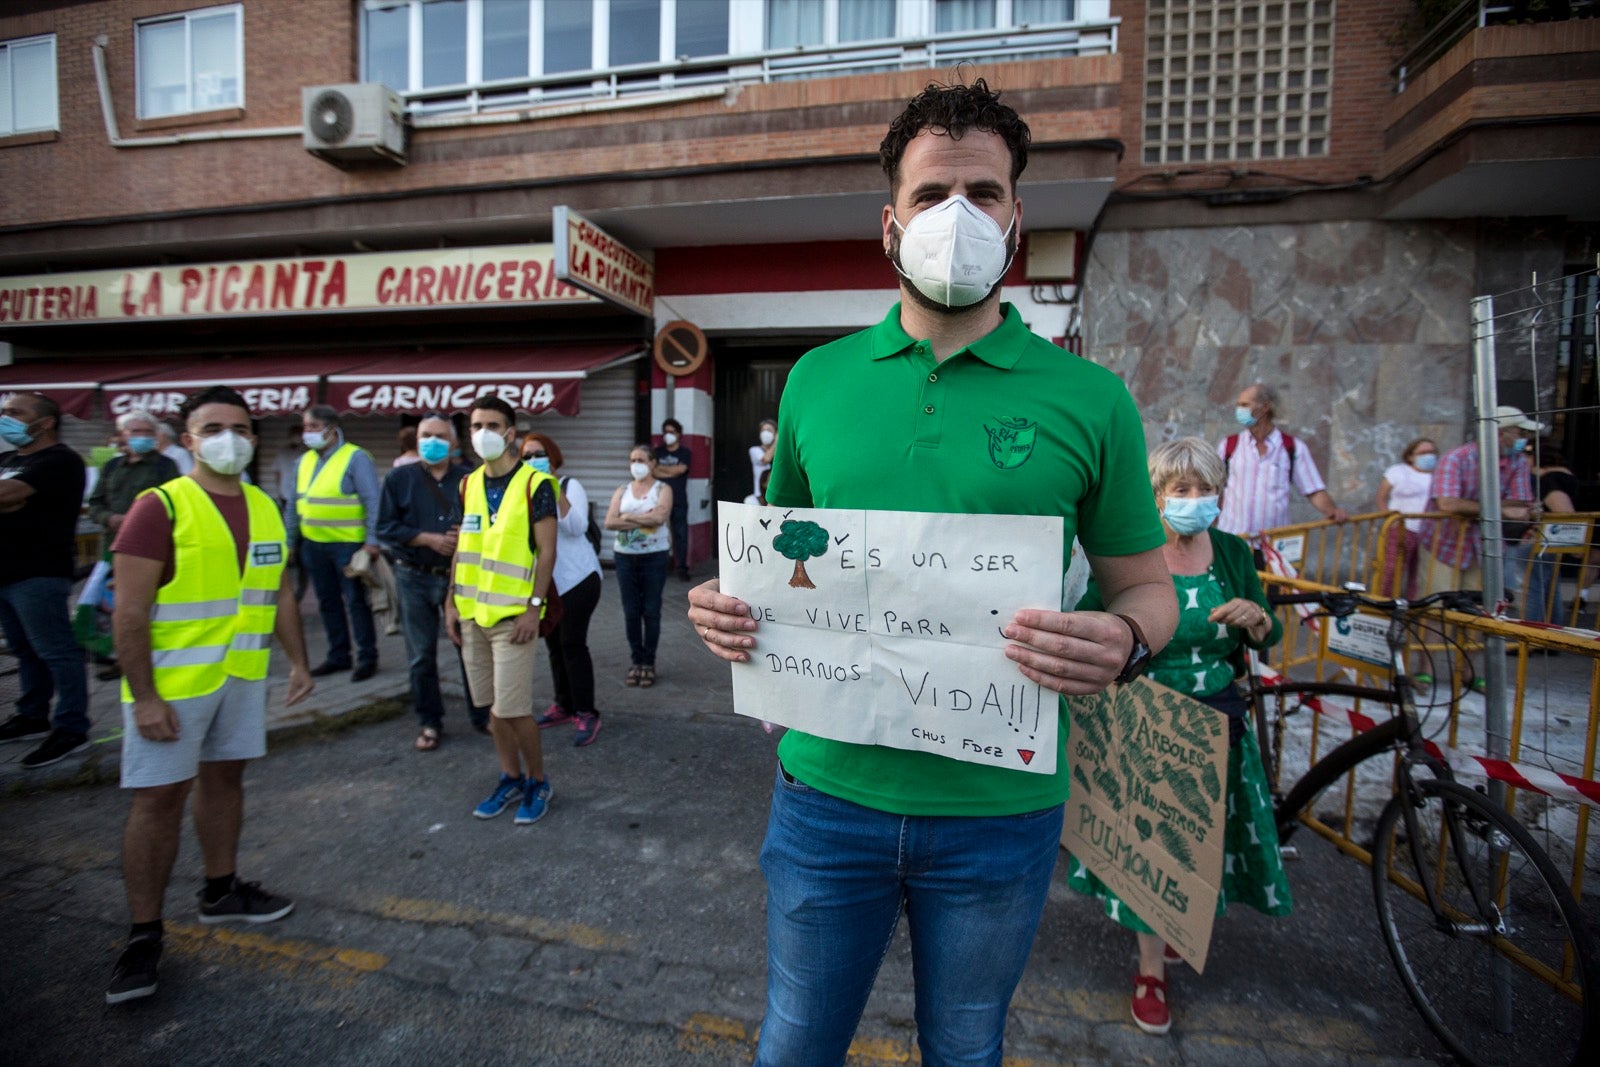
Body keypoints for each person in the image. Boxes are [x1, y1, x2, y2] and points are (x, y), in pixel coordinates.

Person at [687, 79, 1177, 1066]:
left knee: (964, 1044)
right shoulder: (818, 379)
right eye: (931, 193)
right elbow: (779, 560)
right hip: (825, 796)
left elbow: (1147, 586)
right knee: (793, 1042)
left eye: (984, 192)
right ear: (889, 223)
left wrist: (1124, 639)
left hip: (1001, 816)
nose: (958, 214)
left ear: (1015, 218)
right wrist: (722, 609)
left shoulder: (1091, 398)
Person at [1066, 437, 1291, 1035]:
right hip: (1150, 721)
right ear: (1158, 497)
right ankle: (1150, 973)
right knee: (1157, 850)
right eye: (1181, 491)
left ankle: (1171, 931)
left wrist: (1258, 619)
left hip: (1219, 717)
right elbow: (1096, 616)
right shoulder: (1134, 555)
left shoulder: (1234, 553)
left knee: (1201, 844)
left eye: (1206, 490)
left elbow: (1267, 635)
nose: (1196, 501)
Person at [104, 385, 315, 1005]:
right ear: (188, 439)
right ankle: (144, 933)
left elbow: (276, 593)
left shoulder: (266, 506)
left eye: (242, 428)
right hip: (171, 687)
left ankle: (221, 892)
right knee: (158, 801)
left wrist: (299, 662)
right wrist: (144, 697)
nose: (231, 438)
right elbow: (130, 612)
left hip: (241, 678)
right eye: (214, 427)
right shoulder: (159, 506)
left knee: (227, 782)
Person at [444, 397, 559, 826]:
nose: (483, 433)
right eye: (476, 425)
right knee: (491, 709)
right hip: (473, 614)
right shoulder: (467, 484)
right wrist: (449, 604)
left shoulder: (535, 485)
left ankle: (538, 780)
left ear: (511, 432)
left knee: (514, 710)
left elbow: (547, 553)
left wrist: (534, 608)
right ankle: (509, 776)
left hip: (514, 618)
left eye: (493, 424)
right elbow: (461, 548)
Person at [377, 413, 489, 751]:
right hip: (413, 575)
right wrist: (426, 539)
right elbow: (385, 527)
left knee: (469, 649)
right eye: (426, 435)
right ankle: (430, 721)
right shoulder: (399, 478)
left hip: (460, 578)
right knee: (420, 655)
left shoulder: (471, 478)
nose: (432, 441)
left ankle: (482, 716)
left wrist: (466, 535)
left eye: (441, 436)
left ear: (455, 443)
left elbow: (489, 525)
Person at [0, 392, 93, 769]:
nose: (7, 418)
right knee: (24, 650)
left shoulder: (60, 460)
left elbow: (8, 495)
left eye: (15, 413)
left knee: (56, 650)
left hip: (39, 571)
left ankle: (71, 727)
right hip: (5, 572)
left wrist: (10, 499)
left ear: (45, 421)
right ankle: (32, 714)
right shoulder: (7, 459)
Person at [286, 405, 382, 681]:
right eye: (306, 428)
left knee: (355, 602)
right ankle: (339, 655)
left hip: (348, 546)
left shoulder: (355, 458)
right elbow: (294, 504)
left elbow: (372, 501)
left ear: (332, 428)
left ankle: (367, 657)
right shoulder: (303, 462)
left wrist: (372, 541)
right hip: (313, 545)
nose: (308, 433)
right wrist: (289, 542)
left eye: (313, 427)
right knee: (327, 603)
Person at [85, 409, 182, 680]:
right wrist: (110, 518)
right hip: (113, 546)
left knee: (144, 605)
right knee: (115, 606)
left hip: (151, 549)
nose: (142, 437)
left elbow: (174, 505)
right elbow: (95, 504)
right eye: (136, 432)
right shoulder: (112, 467)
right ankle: (120, 658)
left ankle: (150, 657)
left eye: (148, 433)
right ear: (123, 436)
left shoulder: (165, 467)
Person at [526, 432, 605, 747]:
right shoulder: (525, 492)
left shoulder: (570, 486)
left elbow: (577, 526)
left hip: (580, 579)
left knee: (572, 644)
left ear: (552, 456)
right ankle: (564, 704)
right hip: (549, 585)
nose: (533, 460)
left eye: (538, 453)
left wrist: (554, 487)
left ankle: (587, 711)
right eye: (527, 456)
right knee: (554, 645)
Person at [1419, 405, 1540, 596]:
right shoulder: (1456, 458)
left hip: (1485, 545)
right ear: (1500, 434)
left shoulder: (1518, 462)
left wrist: (1469, 507)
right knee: (1439, 603)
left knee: (1476, 608)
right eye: (1520, 432)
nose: (1524, 439)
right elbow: (1448, 504)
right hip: (1444, 542)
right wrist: (1500, 508)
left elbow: (1520, 505)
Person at [1216, 383, 1348, 539]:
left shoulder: (1292, 447)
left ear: (1265, 407)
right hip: (1233, 539)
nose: (1239, 411)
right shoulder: (1229, 445)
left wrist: (1332, 511)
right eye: (1238, 405)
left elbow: (1313, 489)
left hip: (1273, 542)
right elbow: (1213, 487)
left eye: (1245, 405)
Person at [607, 444, 673, 689]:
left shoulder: (662, 489)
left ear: (653, 463)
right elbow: (609, 522)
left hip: (654, 557)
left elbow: (659, 518)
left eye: (641, 459)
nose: (636, 464)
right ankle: (636, 661)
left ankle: (649, 662)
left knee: (651, 610)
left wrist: (628, 518)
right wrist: (643, 518)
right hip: (624, 557)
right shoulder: (622, 490)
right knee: (631, 611)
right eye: (632, 459)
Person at [1507, 446, 1579, 624]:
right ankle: (1550, 632)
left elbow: (1563, 510)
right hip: (1550, 540)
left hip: (1541, 539)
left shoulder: (1547, 480)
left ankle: (1529, 635)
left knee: (1532, 588)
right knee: (1549, 586)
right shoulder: (1565, 478)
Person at [1374, 437, 1438, 599]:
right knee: (1392, 569)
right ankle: (1383, 603)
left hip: (1428, 531)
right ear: (1411, 456)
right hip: (1402, 527)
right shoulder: (1398, 471)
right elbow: (1381, 496)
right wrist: (1390, 518)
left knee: (1419, 573)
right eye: (1423, 452)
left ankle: (1413, 606)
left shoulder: (1439, 475)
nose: (1429, 456)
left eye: (1432, 452)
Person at [652, 417, 692, 580]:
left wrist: (663, 470)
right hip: (659, 500)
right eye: (665, 432)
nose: (668, 435)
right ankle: (662, 566)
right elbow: (652, 471)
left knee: (680, 534)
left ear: (679, 434)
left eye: (671, 432)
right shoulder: (657, 452)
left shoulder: (685, 453)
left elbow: (681, 470)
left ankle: (682, 567)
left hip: (679, 500)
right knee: (660, 533)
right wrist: (671, 470)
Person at [270, 422, 303, 511]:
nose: (296, 437)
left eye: (298, 434)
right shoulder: (282, 452)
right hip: (285, 494)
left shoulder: (307, 452)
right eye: (294, 434)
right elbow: (277, 473)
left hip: (302, 494)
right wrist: (278, 492)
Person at [748, 417, 776, 500]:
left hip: (776, 495)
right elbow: (766, 459)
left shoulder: (780, 452)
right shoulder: (754, 450)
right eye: (763, 430)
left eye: (769, 430)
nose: (765, 433)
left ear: (775, 434)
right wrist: (777, 441)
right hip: (760, 497)